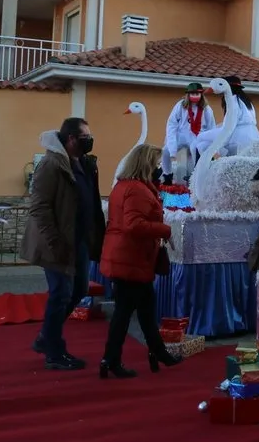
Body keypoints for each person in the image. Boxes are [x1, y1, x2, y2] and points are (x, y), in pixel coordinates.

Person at [21, 117, 106, 371]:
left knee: (79, 289)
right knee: (60, 293)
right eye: (84, 137)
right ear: (70, 139)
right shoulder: (51, 164)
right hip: (57, 241)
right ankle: (54, 351)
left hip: (78, 239)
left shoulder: (84, 163)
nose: (89, 141)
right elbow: (39, 207)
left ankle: (46, 336)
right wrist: (54, 242)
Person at [99, 144, 182, 378]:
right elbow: (133, 224)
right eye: (156, 165)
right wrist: (164, 229)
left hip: (127, 256)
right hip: (131, 258)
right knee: (125, 312)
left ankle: (157, 352)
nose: (159, 170)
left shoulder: (125, 186)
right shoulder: (137, 189)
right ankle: (111, 359)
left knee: (144, 309)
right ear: (146, 165)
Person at [194, 75, 259, 158]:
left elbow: (230, 126)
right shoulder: (246, 102)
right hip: (253, 135)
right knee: (204, 144)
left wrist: (220, 142)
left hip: (237, 136)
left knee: (200, 138)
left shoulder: (233, 100)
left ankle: (212, 164)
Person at [161, 82, 216, 185]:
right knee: (165, 151)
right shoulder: (180, 106)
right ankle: (167, 175)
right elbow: (172, 124)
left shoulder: (207, 109)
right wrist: (172, 151)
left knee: (196, 150)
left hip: (198, 135)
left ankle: (196, 177)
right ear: (188, 94)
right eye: (192, 94)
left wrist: (210, 147)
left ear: (201, 95)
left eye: (197, 94)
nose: (195, 96)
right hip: (182, 134)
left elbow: (211, 127)